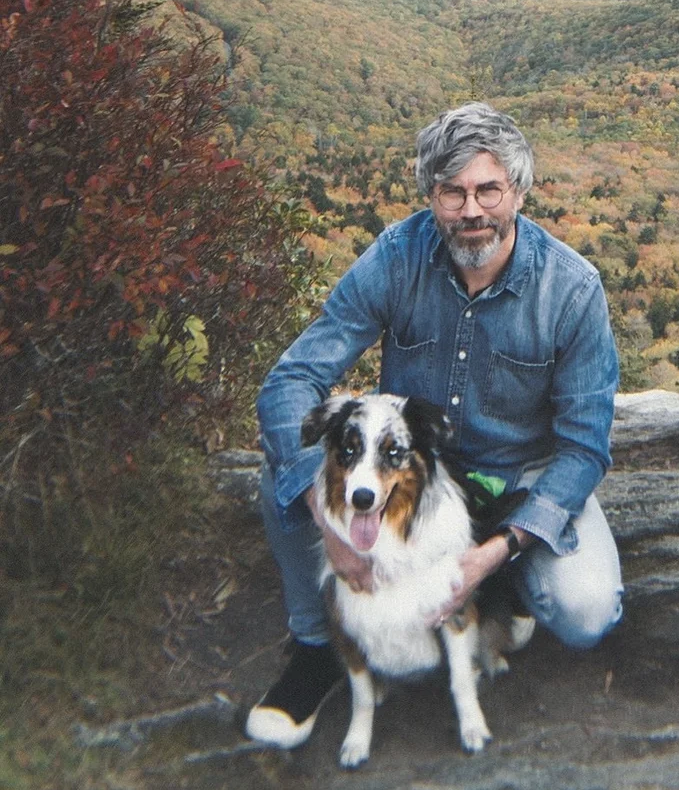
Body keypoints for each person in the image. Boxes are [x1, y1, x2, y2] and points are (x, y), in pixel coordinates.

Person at [246, 102, 622, 748]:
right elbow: (290, 382)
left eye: (488, 189)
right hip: (412, 474)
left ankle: (501, 588)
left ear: (519, 192)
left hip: (517, 480)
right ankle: (316, 648)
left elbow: (584, 447)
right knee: (283, 478)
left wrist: (498, 547)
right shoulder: (397, 257)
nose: (472, 210)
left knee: (587, 611)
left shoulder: (572, 289)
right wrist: (323, 510)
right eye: (453, 192)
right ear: (431, 195)